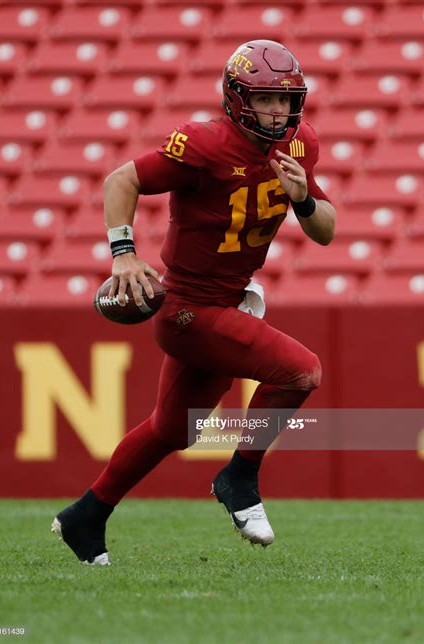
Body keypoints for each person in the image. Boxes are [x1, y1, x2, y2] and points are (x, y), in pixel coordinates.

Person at [52, 40, 336, 565]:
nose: (278, 111)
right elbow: (123, 180)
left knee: (172, 428)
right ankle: (240, 476)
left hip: (227, 301)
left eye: (286, 100)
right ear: (235, 98)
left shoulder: (298, 146)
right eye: (265, 99)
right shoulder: (204, 145)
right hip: (187, 308)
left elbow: (326, 232)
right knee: (300, 372)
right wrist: (123, 254)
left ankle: (86, 515)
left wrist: (304, 199)